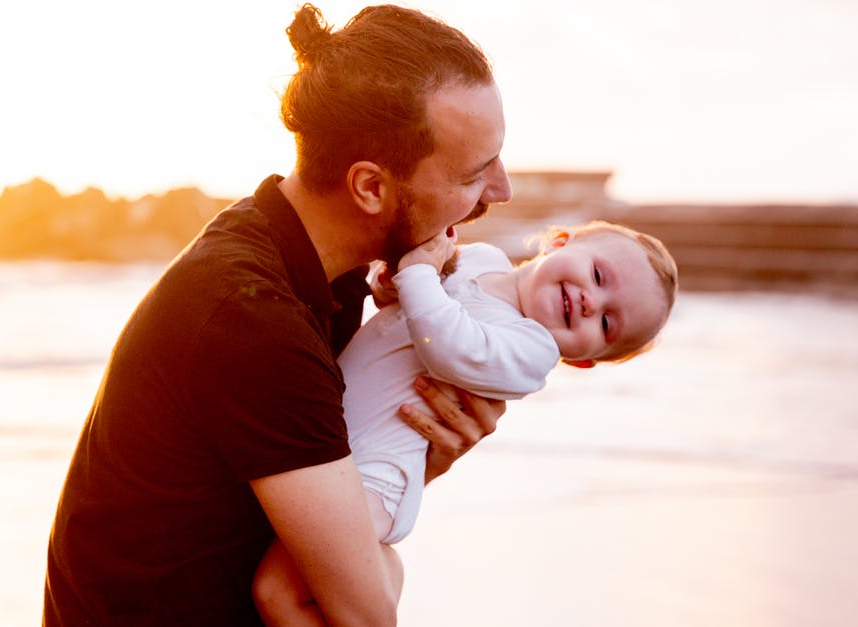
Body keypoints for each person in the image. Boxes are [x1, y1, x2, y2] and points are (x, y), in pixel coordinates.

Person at [44, 4, 514, 625]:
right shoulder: (252, 318)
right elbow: (364, 615)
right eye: (474, 173)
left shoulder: (323, 272)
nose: (501, 190)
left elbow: (310, 520)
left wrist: (418, 459)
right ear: (371, 187)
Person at [252, 220, 678, 624]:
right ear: (560, 242)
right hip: (331, 437)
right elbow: (411, 303)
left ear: (583, 361)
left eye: (607, 322)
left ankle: (379, 574)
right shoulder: (482, 259)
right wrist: (391, 283)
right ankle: (383, 569)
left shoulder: (532, 352)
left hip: (374, 478)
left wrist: (416, 272)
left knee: (277, 591)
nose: (591, 301)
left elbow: (448, 344)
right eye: (599, 275)